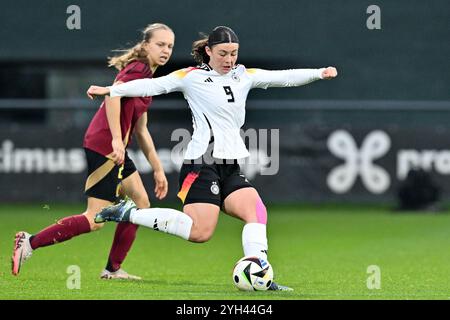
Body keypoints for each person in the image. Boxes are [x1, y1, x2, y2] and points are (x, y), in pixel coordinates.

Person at [87, 26, 338, 290]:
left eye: (234, 53)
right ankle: (129, 212)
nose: (229, 59)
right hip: (201, 163)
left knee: (257, 211)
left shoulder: (244, 75)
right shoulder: (191, 77)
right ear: (208, 51)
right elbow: (154, 85)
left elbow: (283, 78)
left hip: (230, 165)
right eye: (223, 53)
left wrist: (319, 73)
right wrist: (111, 90)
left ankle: (261, 274)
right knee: (200, 233)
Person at [11, 23, 174, 279]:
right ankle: (29, 242)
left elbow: (141, 130)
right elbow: (112, 97)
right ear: (145, 46)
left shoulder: (148, 79)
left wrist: (158, 168)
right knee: (94, 220)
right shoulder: (138, 69)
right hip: (104, 145)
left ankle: (112, 270)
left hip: (113, 147)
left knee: (141, 204)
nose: (166, 50)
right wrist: (117, 141)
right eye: (160, 44)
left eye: (170, 46)